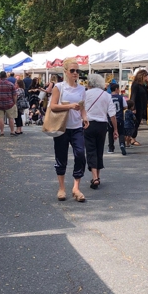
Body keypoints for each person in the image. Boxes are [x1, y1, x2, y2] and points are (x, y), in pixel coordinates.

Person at [50, 57, 89, 202]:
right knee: (61, 157)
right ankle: (61, 188)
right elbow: (53, 106)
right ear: (65, 72)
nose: (75, 73)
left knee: (80, 155)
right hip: (62, 126)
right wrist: (69, 106)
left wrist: (85, 117)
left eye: (77, 71)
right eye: (72, 70)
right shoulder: (59, 87)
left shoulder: (81, 89)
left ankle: (76, 187)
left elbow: (82, 106)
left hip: (77, 126)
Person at [84, 74, 118, 189]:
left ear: (90, 83)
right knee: (99, 150)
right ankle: (97, 177)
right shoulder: (106, 95)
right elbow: (112, 114)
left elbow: (80, 110)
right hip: (102, 126)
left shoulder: (85, 94)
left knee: (91, 150)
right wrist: (115, 130)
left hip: (88, 124)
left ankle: (95, 178)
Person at [0, 70, 18, 136]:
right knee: (11, 118)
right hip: (9, 103)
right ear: (6, 76)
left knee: (1, 118)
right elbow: (14, 95)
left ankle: (2, 132)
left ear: (0, 76)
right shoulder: (11, 84)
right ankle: (12, 131)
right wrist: (14, 102)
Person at [129, 69, 148, 146]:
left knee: (137, 123)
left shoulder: (143, 85)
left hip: (142, 106)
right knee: (135, 122)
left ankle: (132, 137)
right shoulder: (135, 84)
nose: (146, 78)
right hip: (137, 106)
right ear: (142, 76)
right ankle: (132, 138)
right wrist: (133, 107)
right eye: (145, 77)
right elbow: (133, 96)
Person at [107, 83, 127, 155]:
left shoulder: (108, 97)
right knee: (121, 132)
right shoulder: (121, 97)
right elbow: (125, 106)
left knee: (110, 133)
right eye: (118, 89)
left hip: (110, 118)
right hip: (120, 118)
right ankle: (122, 144)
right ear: (116, 89)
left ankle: (111, 148)